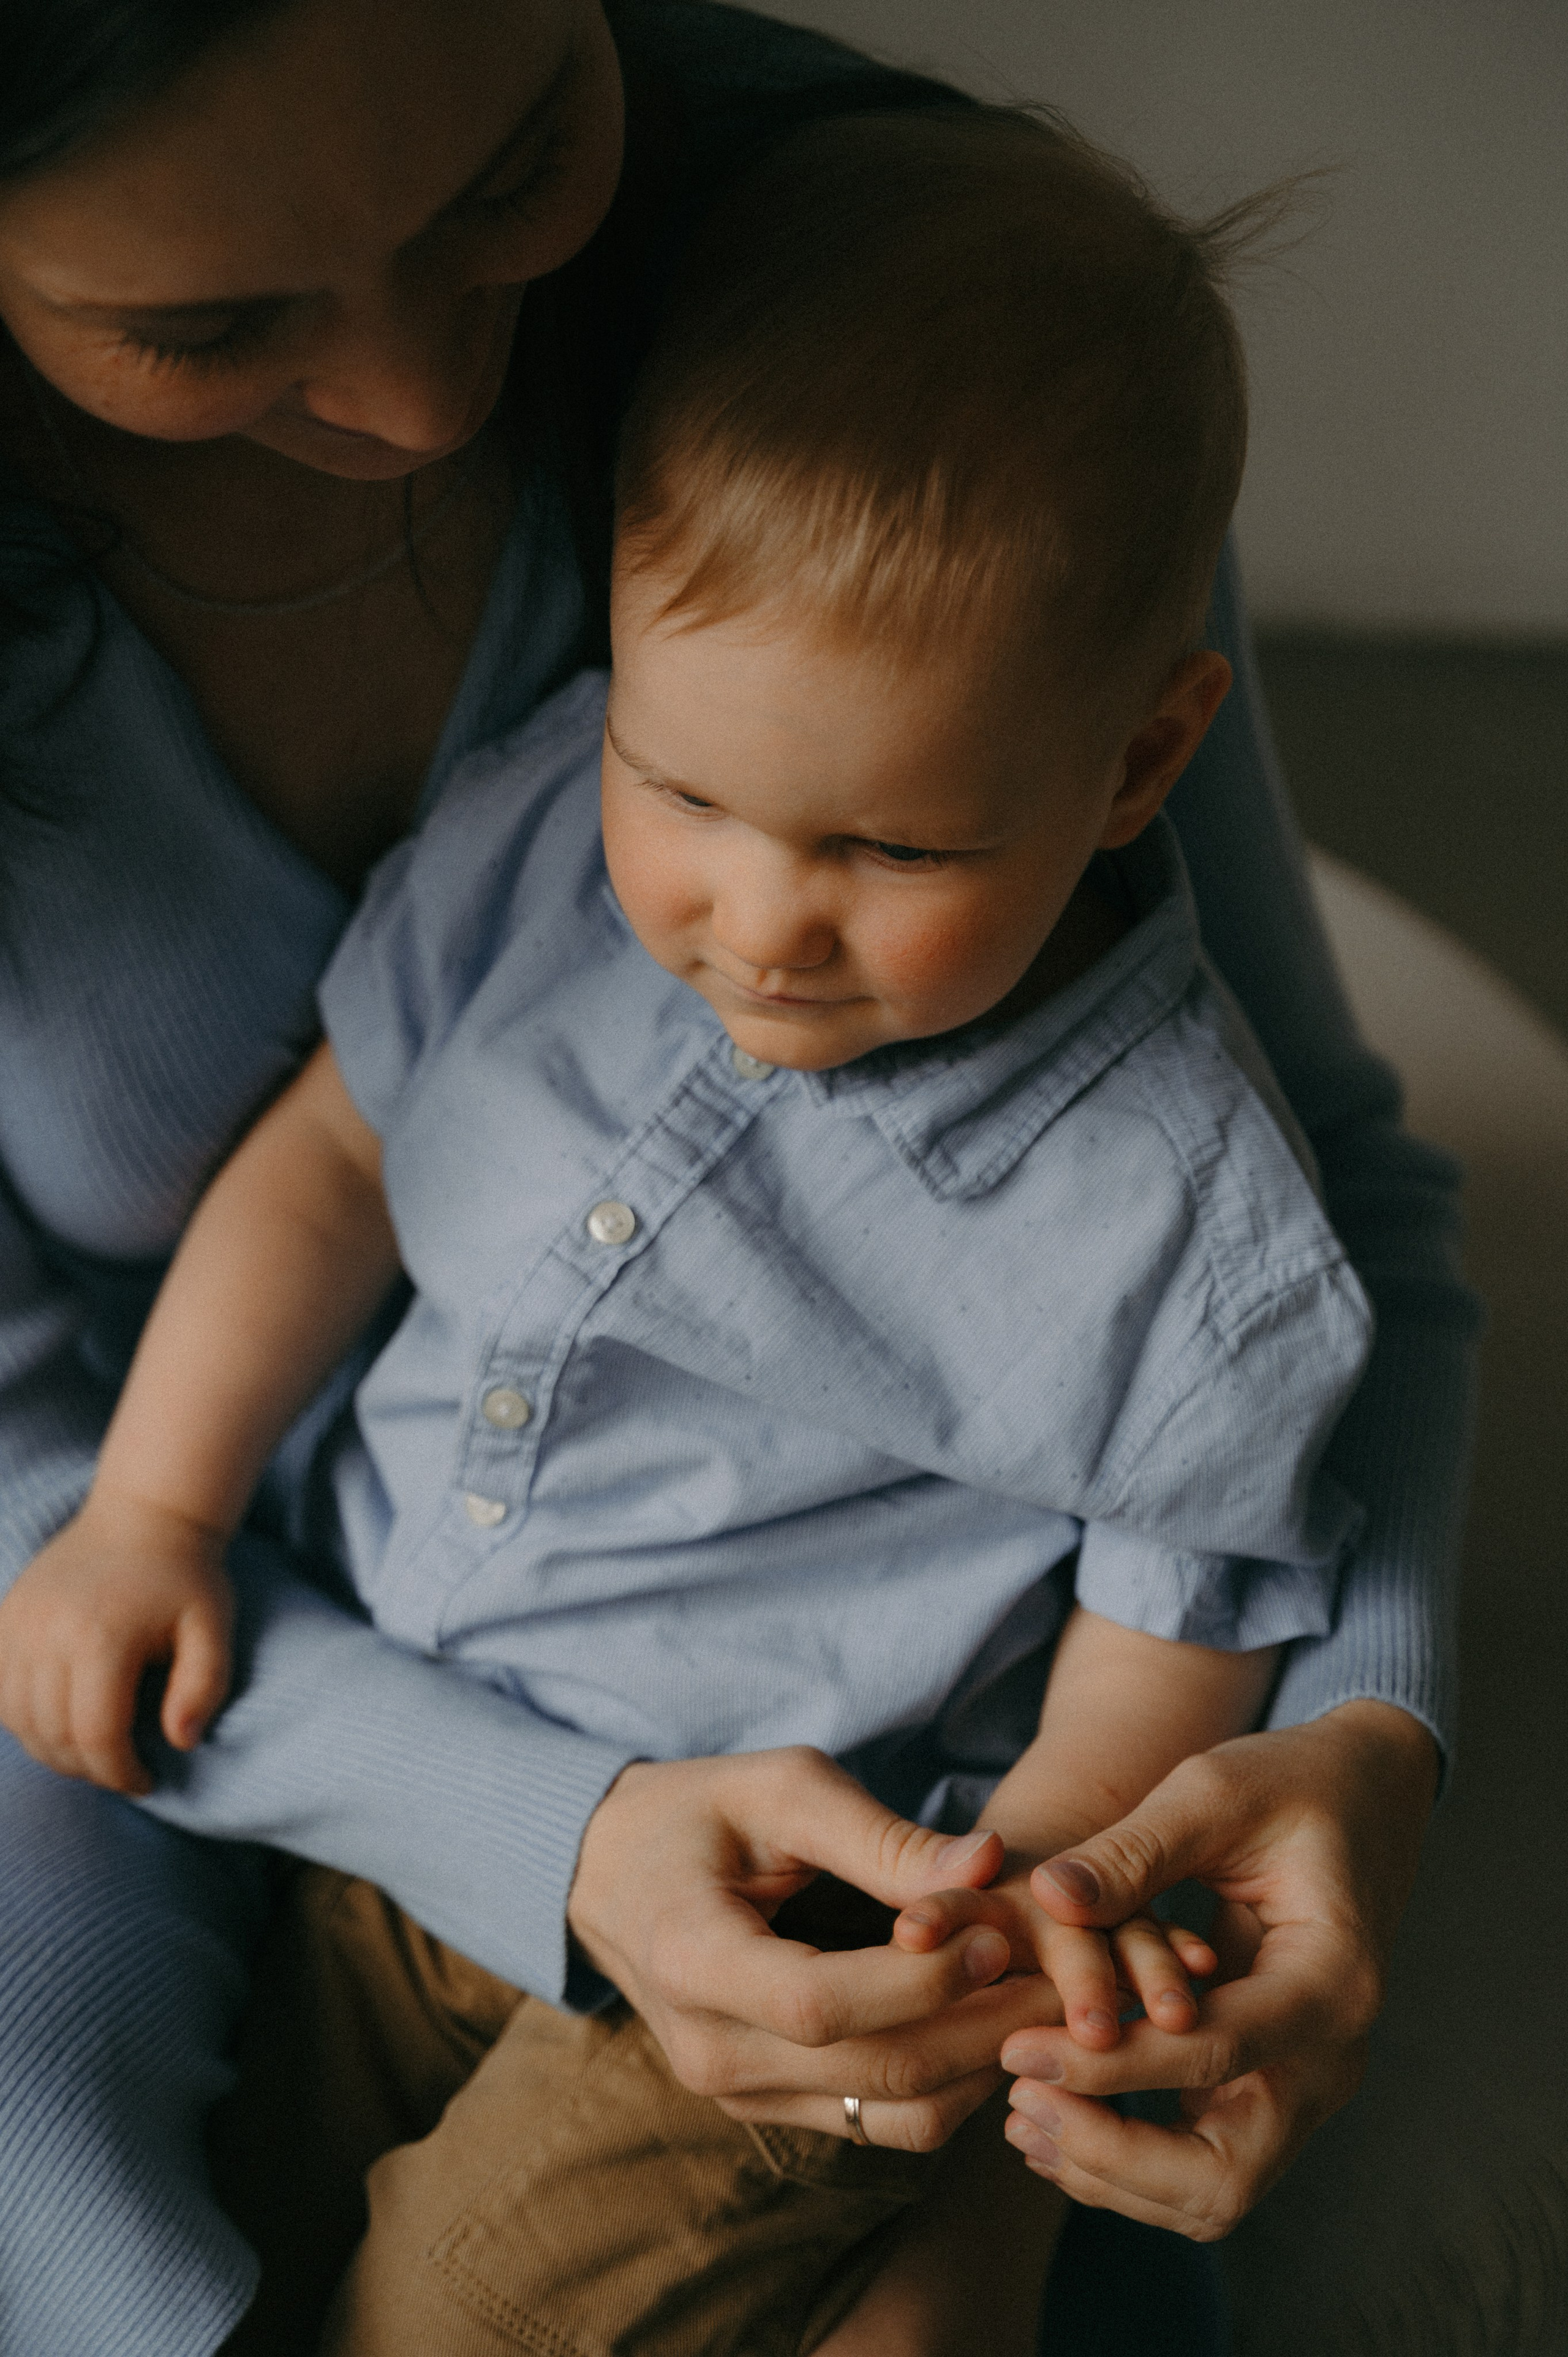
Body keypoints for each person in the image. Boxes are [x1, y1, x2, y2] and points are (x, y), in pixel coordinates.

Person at [0, 3, 1472, 2354]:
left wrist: (1021, 1933)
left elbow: (1181, 1597)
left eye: (507, 175)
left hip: (823, 1894)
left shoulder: (919, 369)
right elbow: (339, 1150)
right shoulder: (543, 841)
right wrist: (155, 1514)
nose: (764, 921)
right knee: (181, 2225)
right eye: (206, 322)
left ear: (1132, 767)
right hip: (329, 1701)